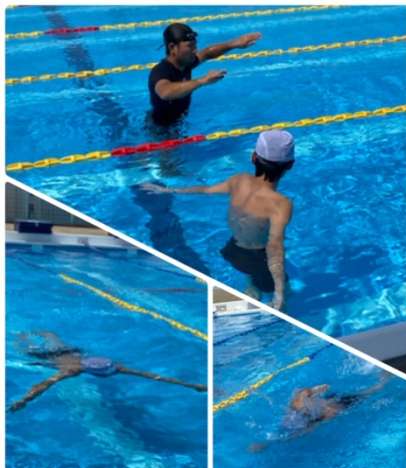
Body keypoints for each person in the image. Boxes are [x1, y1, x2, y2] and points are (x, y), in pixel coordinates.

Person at [140, 130, 295, 309]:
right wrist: (279, 294)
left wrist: (168, 190)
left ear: (253, 157)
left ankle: (251, 287)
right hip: (256, 258)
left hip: (233, 251)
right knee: (283, 287)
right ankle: (278, 302)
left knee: (251, 261)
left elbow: (206, 190)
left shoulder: (239, 180)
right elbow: (275, 247)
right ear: (290, 165)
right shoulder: (280, 204)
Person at [8, 332, 207, 412]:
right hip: (50, 358)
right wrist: (24, 400)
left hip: (71, 351)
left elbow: (153, 376)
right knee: (25, 350)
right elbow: (44, 384)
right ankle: (20, 336)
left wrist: (191, 385)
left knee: (53, 339)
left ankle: (38, 333)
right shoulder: (72, 370)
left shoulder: (115, 366)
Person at [149, 23, 261, 125]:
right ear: (172, 47)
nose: (195, 50)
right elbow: (165, 92)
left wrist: (234, 44)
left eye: (195, 46)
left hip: (180, 122)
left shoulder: (185, 63)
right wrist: (202, 80)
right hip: (161, 129)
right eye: (190, 46)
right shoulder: (160, 71)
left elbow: (207, 53)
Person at [249, 373, 390, 451]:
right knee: (372, 391)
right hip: (336, 405)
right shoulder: (317, 416)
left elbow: (301, 394)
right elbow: (294, 435)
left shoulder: (298, 407)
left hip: (330, 402)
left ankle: (382, 382)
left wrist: (314, 390)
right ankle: (383, 382)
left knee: (368, 392)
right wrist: (266, 444)